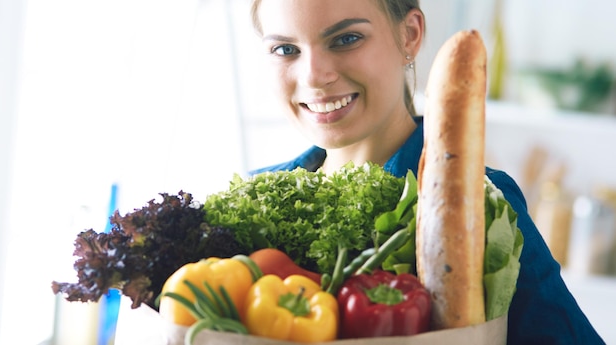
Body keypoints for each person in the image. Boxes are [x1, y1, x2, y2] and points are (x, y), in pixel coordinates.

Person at [246, 0, 605, 344]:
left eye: (346, 39)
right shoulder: (251, 199)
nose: (314, 75)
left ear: (410, 36)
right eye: (285, 50)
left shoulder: (481, 202)